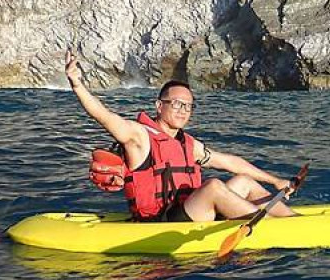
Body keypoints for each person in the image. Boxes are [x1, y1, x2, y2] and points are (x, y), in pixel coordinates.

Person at [64, 50, 296, 222]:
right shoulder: (139, 136)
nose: (183, 110)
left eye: (188, 106)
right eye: (176, 104)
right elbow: (103, 116)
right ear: (159, 106)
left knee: (244, 181)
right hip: (160, 222)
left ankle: (295, 221)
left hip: (189, 211)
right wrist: (77, 84)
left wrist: (275, 181)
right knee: (213, 186)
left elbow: (229, 162)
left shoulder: (187, 143)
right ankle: (273, 227)